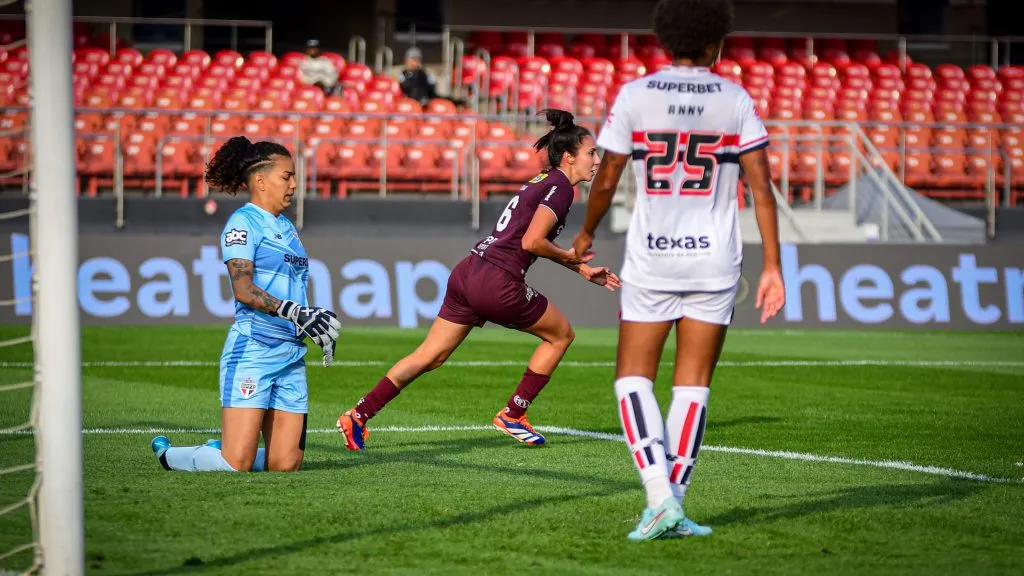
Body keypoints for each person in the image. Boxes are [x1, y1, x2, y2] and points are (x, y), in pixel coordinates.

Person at [571, 0, 786, 541]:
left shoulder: (637, 95)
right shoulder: (735, 98)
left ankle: (658, 497)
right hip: (716, 261)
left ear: (665, 39)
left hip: (652, 257)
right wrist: (774, 267)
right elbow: (761, 188)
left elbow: (608, 175)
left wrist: (587, 231)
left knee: (632, 378)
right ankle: (674, 505)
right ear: (715, 40)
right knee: (693, 386)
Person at [337, 109, 621, 450]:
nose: (596, 159)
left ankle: (358, 415)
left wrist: (581, 268)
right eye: (591, 153)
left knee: (430, 356)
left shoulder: (543, 181)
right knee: (561, 336)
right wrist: (571, 257)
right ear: (570, 156)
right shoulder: (561, 188)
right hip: (498, 280)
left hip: (469, 270)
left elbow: (529, 238)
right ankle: (514, 414)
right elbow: (532, 243)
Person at [151, 136, 342, 473]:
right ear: (260, 180)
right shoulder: (243, 224)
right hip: (253, 350)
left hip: (291, 356)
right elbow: (243, 288)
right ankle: (171, 456)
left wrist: (312, 320)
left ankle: (225, 447)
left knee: (285, 465)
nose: (294, 184)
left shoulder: (287, 228)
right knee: (237, 463)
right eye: (287, 176)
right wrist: (293, 311)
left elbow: (293, 289)